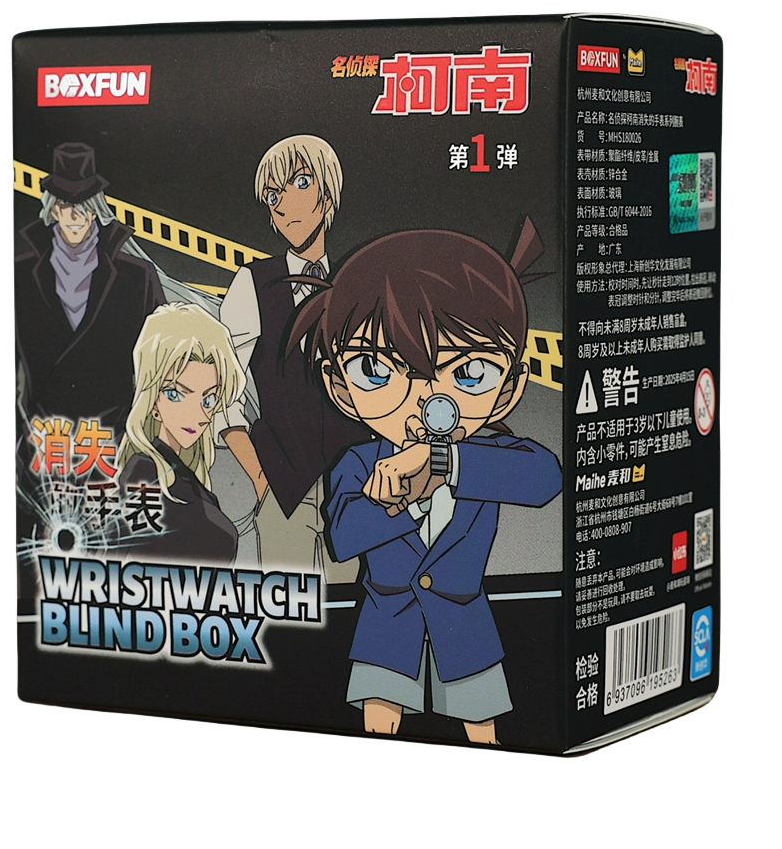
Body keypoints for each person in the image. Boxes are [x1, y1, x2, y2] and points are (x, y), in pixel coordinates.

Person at [289, 223, 563, 745]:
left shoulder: (486, 457)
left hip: (466, 629)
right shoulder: (359, 462)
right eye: (376, 370)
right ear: (339, 386)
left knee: (482, 731)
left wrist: (441, 461)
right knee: (379, 727)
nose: (426, 400)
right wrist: (402, 498)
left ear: (510, 388)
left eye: (469, 372)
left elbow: (545, 477)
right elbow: (343, 538)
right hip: (387, 626)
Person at [218, 135, 370, 580]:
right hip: (283, 490)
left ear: (329, 192)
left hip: (356, 487)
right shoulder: (253, 283)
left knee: (350, 607)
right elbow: (224, 389)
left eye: (301, 183)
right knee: (291, 611)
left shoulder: (358, 281)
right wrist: (259, 476)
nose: (285, 205)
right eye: (273, 195)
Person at [15, 142, 165, 435]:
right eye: (64, 205)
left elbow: (161, 361)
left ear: (96, 210)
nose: (74, 216)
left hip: (116, 438)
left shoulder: (138, 277)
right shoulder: (19, 275)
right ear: (52, 209)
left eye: (83, 206)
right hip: (41, 438)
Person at [116, 303, 246, 564]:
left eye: (208, 399)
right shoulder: (144, 474)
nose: (198, 415)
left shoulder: (185, 478)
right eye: (176, 394)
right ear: (152, 401)